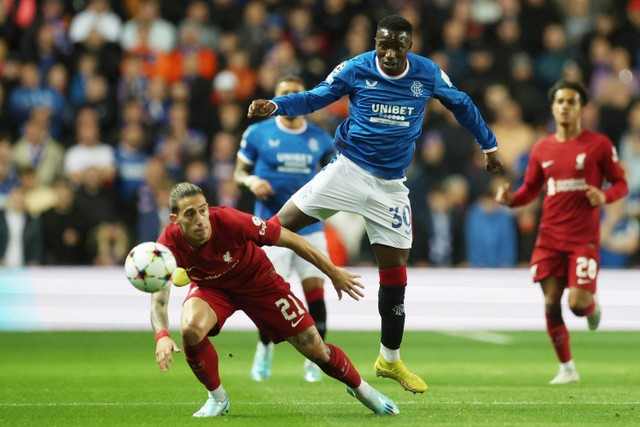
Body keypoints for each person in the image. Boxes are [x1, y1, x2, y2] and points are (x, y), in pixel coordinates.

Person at [247, 14, 504, 394]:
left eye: (396, 46)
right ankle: (215, 254)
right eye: (383, 44)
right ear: (376, 42)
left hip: (391, 188)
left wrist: (489, 144)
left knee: (396, 275)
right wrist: (278, 106)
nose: (388, 52)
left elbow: (461, 103)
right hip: (348, 171)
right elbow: (317, 96)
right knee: (278, 226)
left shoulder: (427, 73)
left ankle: (390, 360)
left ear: (409, 47)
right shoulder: (356, 67)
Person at [151, 182, 399, 417]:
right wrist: (162, 335)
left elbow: (291, 238)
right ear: (175, 220)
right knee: (190, 330)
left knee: (316, 350)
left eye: (203, 211)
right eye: (191, 214)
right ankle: (217, 398)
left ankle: (362, 389)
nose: (200, 220)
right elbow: (159, 294)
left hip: (258, 282)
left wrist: (332, 271)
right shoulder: (167, 244)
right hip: (212, 289)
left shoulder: (231, 220)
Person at [495, 80, 628, 384]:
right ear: (553, 108)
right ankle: (567, 367)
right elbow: (530, 190)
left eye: (571, 101)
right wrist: (511, 199)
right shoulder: (542, 148)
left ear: (582, 108)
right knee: (551, 302)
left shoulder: (599, 145)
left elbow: (621, 184)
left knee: (577, 306)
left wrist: (604, 196)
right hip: (550, 238)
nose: (565, 107)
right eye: (560, 102)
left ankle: (592, 306)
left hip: (583, 238)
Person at [234, 75, 335, 383]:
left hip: (310, 228)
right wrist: (251, 181)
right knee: (271, 299)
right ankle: (264, 351)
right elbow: (239, 172)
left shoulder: (320, 138)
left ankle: (316, 362)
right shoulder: (257, 133)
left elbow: (333, 176)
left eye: (295, 93)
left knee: (315, 296)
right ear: (276, 98)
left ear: (303, 98)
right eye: (284, 93)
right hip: (270, 229)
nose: (290, 97)